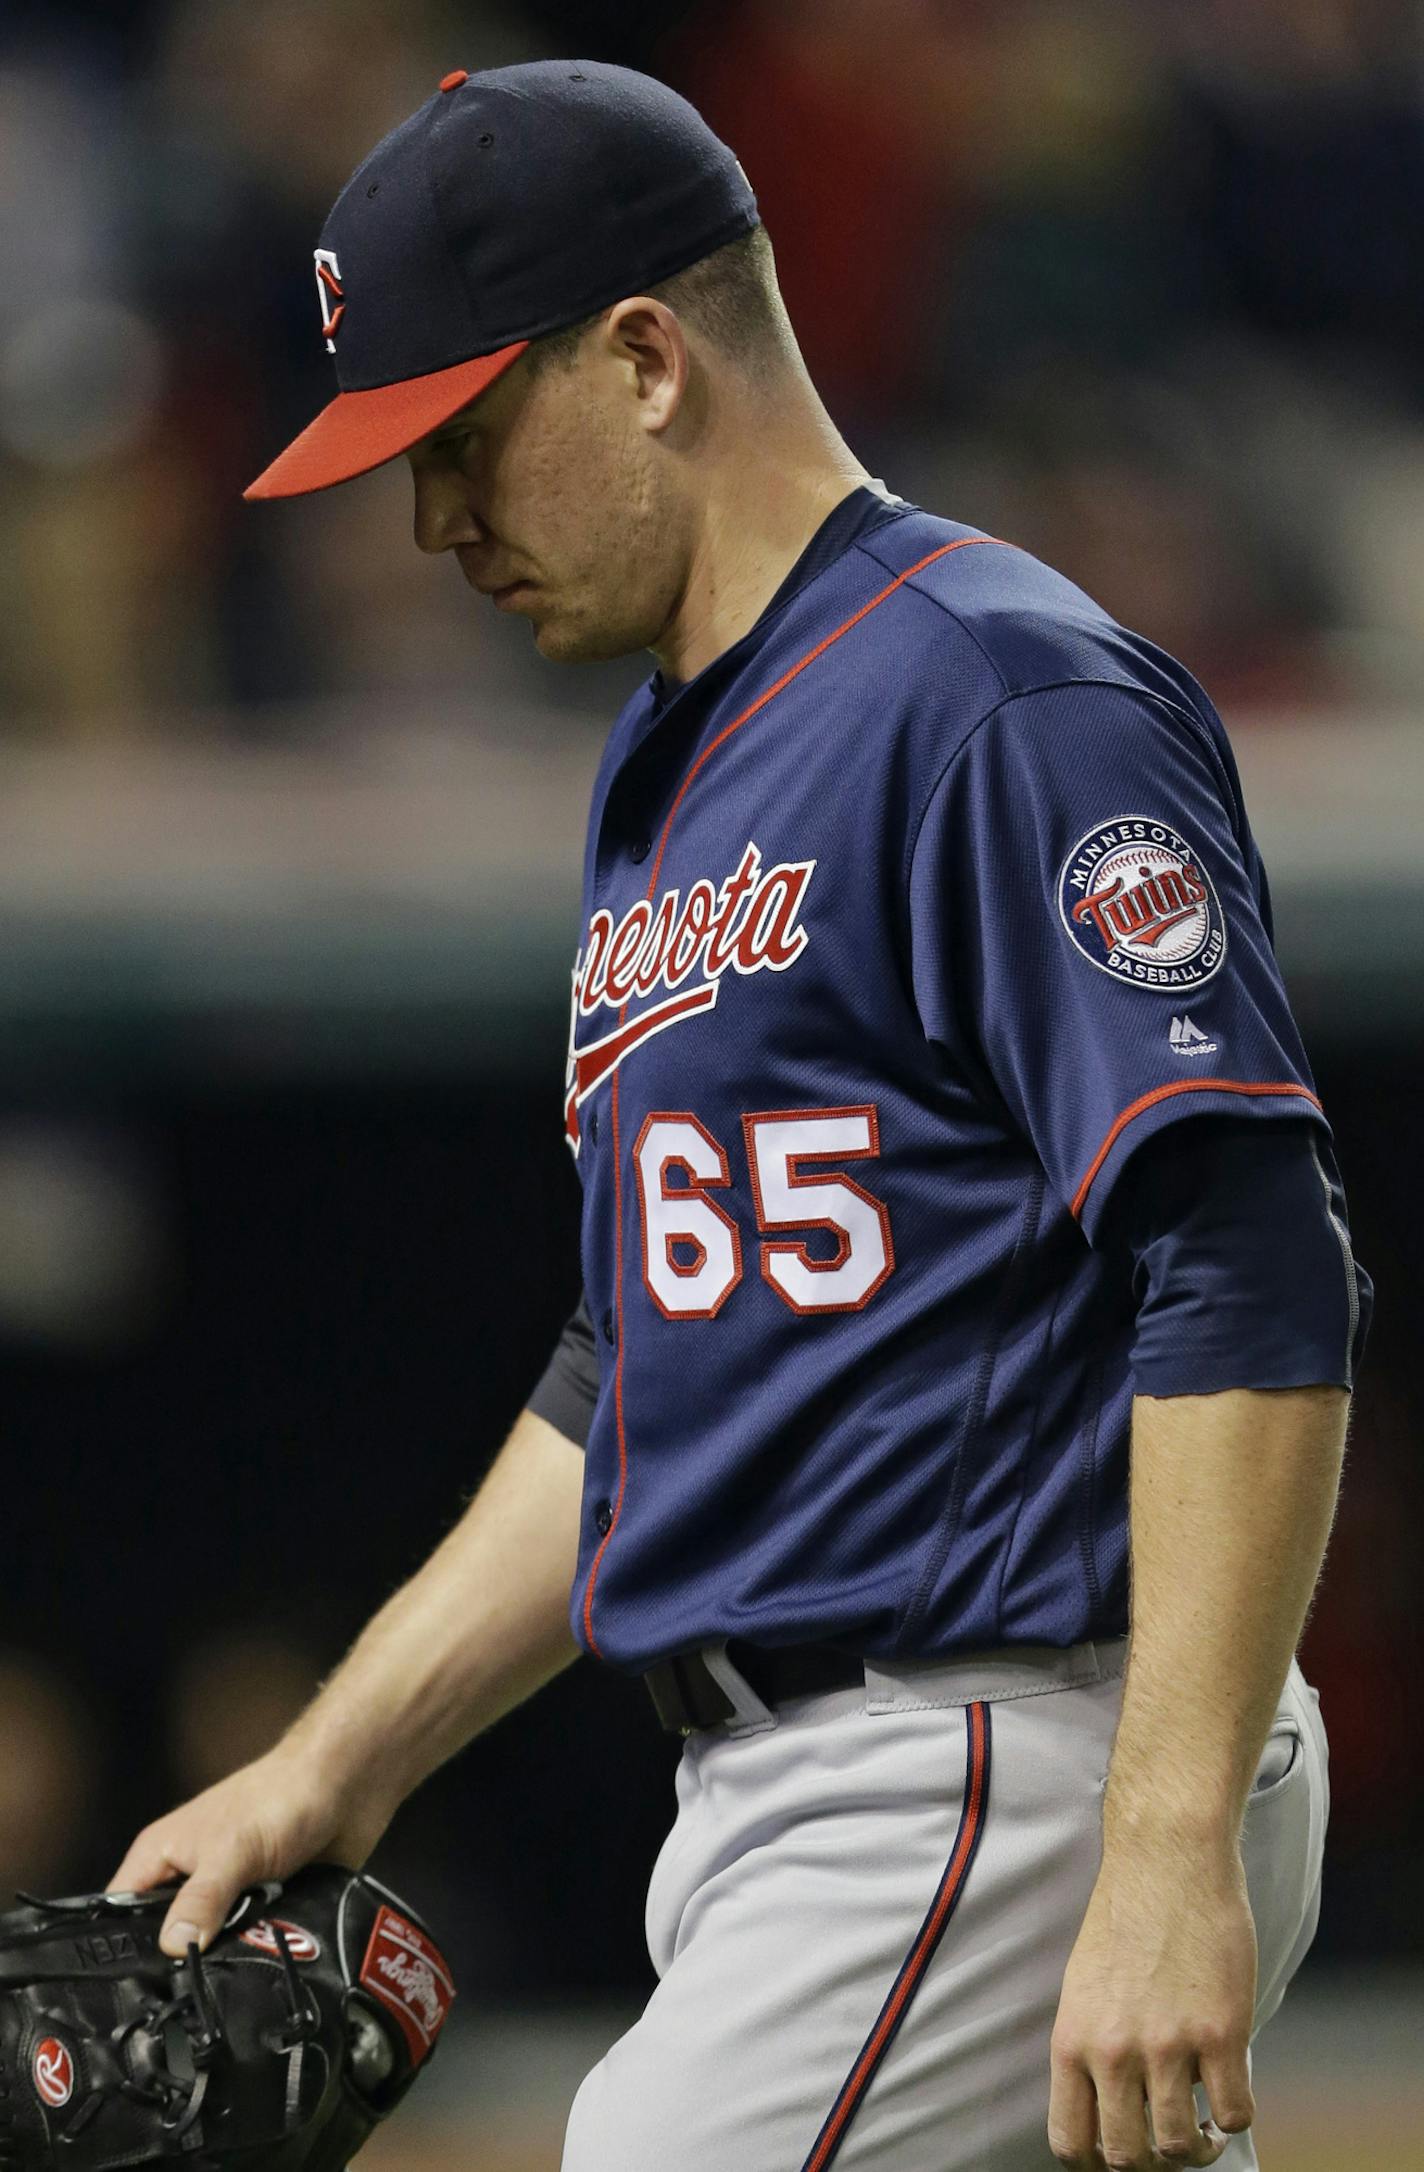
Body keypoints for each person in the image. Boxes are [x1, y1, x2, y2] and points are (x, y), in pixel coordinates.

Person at [111, 61, 1371, 2172]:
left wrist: (1156, 1847)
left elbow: (1244, 1261)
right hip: (830, 1785)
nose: (431, 527)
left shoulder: (996, 697)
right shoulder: (667, 758)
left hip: (997, 1751)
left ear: (640, 359)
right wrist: (332, 1761)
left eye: (462, 442)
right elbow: (642, 1367)